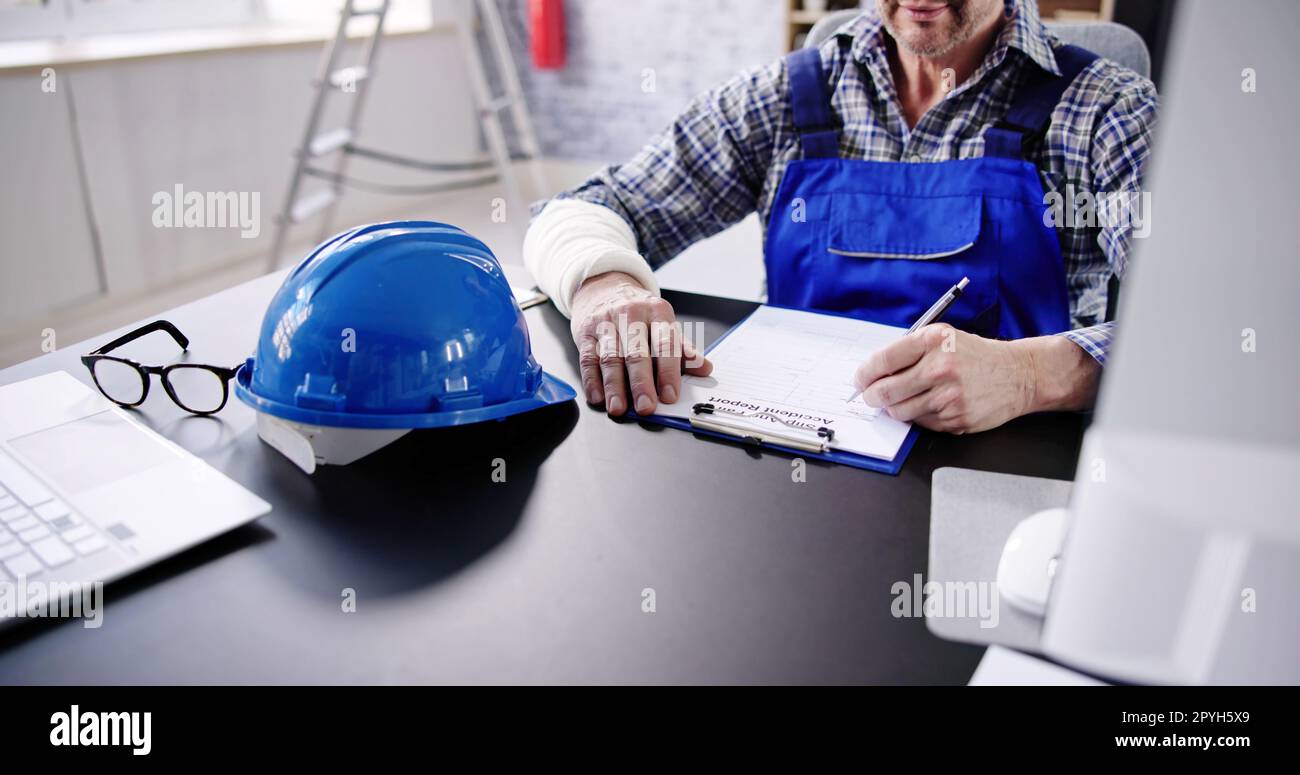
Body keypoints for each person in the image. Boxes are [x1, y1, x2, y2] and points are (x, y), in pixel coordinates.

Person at [523, 0, 1157, 433]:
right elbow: (584, 209)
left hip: (1004, 473)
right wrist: (604, 284)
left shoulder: (1107, 112)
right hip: (799, 461)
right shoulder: (785, 99)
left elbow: (1207, 339)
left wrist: (1030, 377)